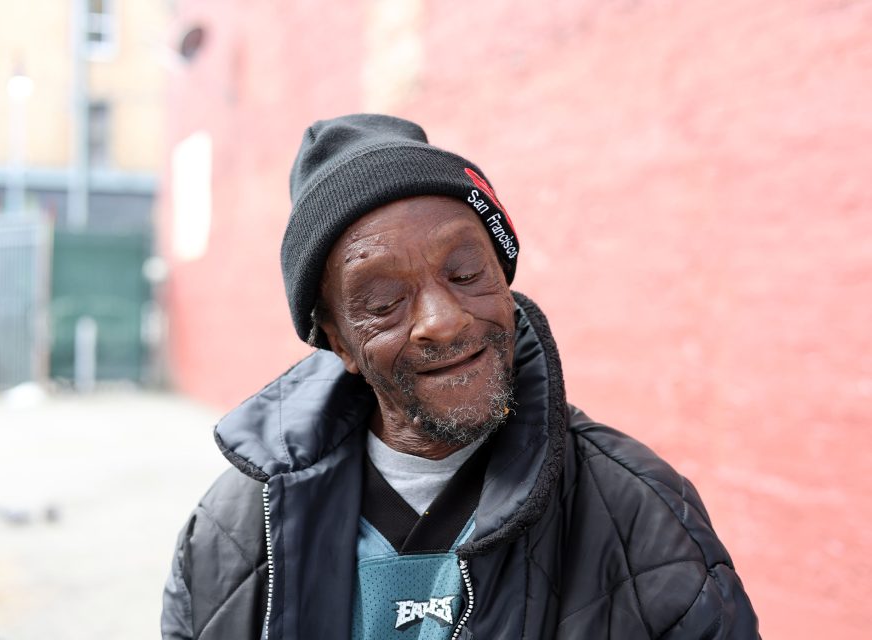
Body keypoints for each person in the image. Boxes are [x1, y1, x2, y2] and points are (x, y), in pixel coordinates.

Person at [161, 114, 760, 640]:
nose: (443, 321)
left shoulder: (644, 516)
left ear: (503, 278)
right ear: (338, 341)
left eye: (467, 271)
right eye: (384, 301)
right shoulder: (230, 536)